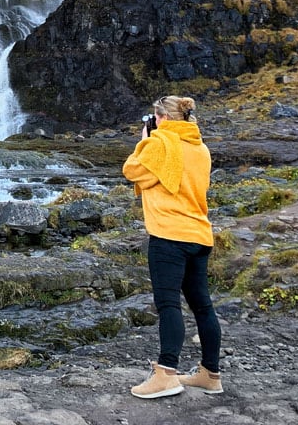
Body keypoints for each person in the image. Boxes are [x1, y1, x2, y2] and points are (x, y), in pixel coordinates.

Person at [122, 95, 224, 399]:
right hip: (199, 235)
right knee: (202, 305)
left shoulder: (160, 144)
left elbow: (132, 170)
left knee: (168, 305)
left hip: (168, 235)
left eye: (154, 117)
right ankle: (210, 374)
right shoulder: (200, 148)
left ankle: (166, 374)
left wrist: (144, 141)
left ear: (161, 118)